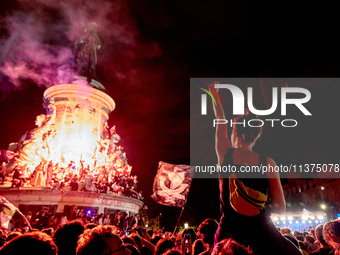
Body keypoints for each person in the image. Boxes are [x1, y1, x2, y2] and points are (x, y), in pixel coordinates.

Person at [208, 81, 301, 255]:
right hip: (261, 232)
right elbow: (280, 208)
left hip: (229, 234)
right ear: (256, 135)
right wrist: (255, 204)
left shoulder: (225, 154)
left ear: (234, 131)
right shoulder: (268, 162)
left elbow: (220, 120)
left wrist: (214, 94)